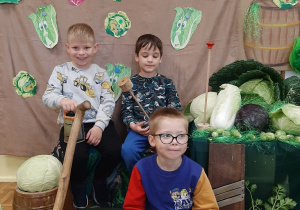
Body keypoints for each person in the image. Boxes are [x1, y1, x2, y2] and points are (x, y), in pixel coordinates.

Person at [42, 23, 122, 209]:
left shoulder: (101, 74)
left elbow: (108, 101)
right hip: (71, 123)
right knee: (77, 157)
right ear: (67, 48)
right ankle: (78, 185)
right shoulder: (60, 71)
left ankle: (99, 180)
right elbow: (47, 96)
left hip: (97, 122)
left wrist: (99, 127)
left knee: (115, 150)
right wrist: (61, 100)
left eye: (86, 48)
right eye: (76, 48)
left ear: (95, 48)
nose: (81, 53)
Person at [123, 108, 219, 209]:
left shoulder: (197, 172)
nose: (175, 141)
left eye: (181, 135)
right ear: (152, 140)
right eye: (166, 135)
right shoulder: (141, 169)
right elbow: (133, 207)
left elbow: (208, 207)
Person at [121, 34, 181, 174]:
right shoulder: (130, 84)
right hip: (140, 132)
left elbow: (176, 110)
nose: (150, 60)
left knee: (174, 151)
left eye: (154, 56)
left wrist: (165, 129)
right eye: (145, 55)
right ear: (137, 57)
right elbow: (126, 112)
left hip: (164, 131)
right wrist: (134, 126)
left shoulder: (167, 83)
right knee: (127, 150)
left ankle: (164, 178)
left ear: (160, 59)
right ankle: (140, 179)